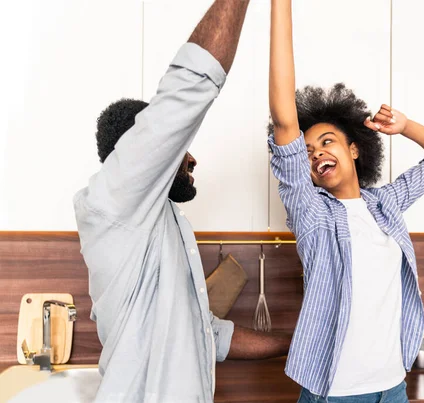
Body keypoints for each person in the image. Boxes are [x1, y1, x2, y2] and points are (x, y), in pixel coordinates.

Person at [74, 1, 291, 401]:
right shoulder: (115, 197)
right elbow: (187, 88)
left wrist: (290, 346)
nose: (191, 157)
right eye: (178, 148)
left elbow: (206, 333)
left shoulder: (155, 225)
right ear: (142, 155)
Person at [267, 0, 424, 401]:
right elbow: (285, 119)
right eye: (306, 151)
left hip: (391, 388)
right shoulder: (312, 213)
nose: (316, 153)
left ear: (354, 150)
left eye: (327, 142)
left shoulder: (384, 204)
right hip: (335, 392)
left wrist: (405, 126)